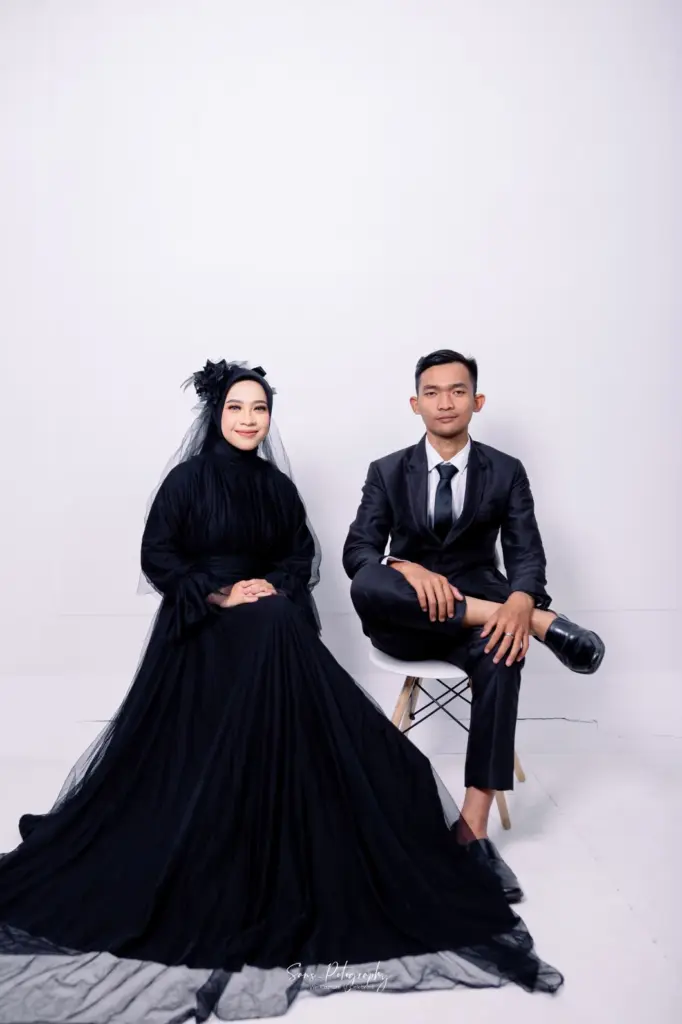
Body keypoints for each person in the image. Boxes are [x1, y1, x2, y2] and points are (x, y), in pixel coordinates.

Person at [0, 360, 563, 1024]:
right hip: (202, 628)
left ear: (270, 418)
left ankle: (373, 788)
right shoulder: (186, 482)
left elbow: (301, 559)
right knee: (272, 625)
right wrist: (221, 593)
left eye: (259, 409)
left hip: (267, 621)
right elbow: (159, 557)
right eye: (237, 408)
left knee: (275, 619)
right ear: (216, 414)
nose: (248, 419)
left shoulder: (277, 487)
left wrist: (270, 586)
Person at [343, 349, 605, 902]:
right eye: (433, 392)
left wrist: (520, 598)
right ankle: (541, 623)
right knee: (367, 584)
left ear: (477, 401)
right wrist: (406, 568)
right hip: (407, 619)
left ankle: (473, 828)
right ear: (415, 404)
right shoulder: (386, 471)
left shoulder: (505, 471)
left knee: (504, 651)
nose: (445, 402)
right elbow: (358, 552)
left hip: (473, 626)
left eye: (457, 391)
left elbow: (526, 553)